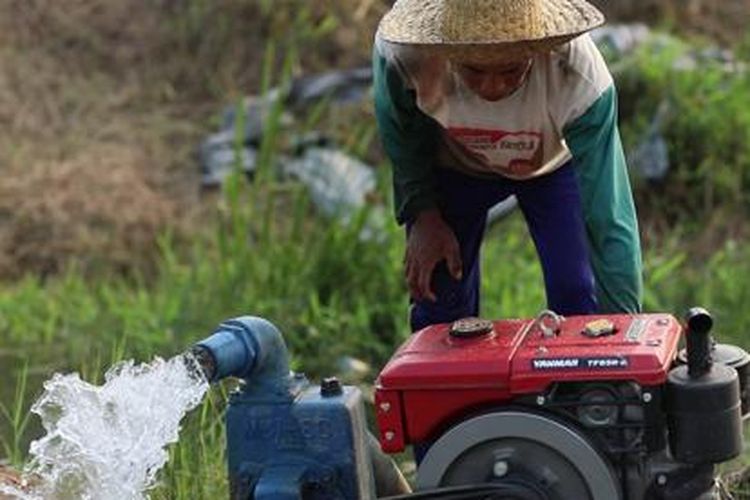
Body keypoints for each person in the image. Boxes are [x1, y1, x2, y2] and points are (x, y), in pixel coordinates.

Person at [372, 0, 643, 332]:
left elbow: (609, 217)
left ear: (535, 52)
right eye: (474, 70)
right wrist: (422, 212)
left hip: (550, 168)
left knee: (577, 294)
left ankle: (577, 384)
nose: (492, 87)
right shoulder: (405, 57)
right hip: (453, 167)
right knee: (440, 300)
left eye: (511, 70)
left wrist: (626, 337)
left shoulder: (580, 79)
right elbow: (401, 135)